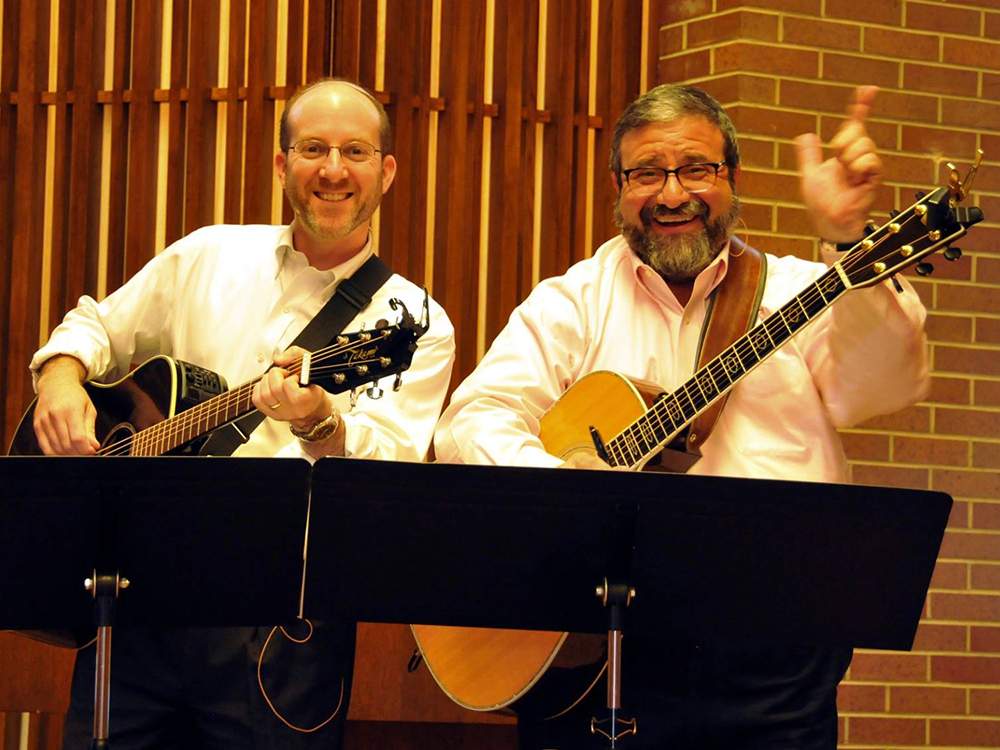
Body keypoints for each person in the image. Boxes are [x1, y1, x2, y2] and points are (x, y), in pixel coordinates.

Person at [434, 84, 928, 748]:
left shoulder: (797, 293)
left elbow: (883, 386)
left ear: (731, 178)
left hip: (774, 655)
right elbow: (474, 417)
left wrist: (847, 242)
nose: (672, 194)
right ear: (617, 185)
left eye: (696, 169)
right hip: (602, 651)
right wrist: (558, 487)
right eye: (647, 173)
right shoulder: (572, 301)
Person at [30, 79, 455, 749]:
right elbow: (95, 327)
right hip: (134, 606)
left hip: (283, 630)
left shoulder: (416, 325)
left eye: (356, 151)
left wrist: (320, 422)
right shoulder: (207, 255)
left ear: (387, 171)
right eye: (313, 148)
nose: (334, 169)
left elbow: (388, 475)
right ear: (283, 165)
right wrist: (60, 376)